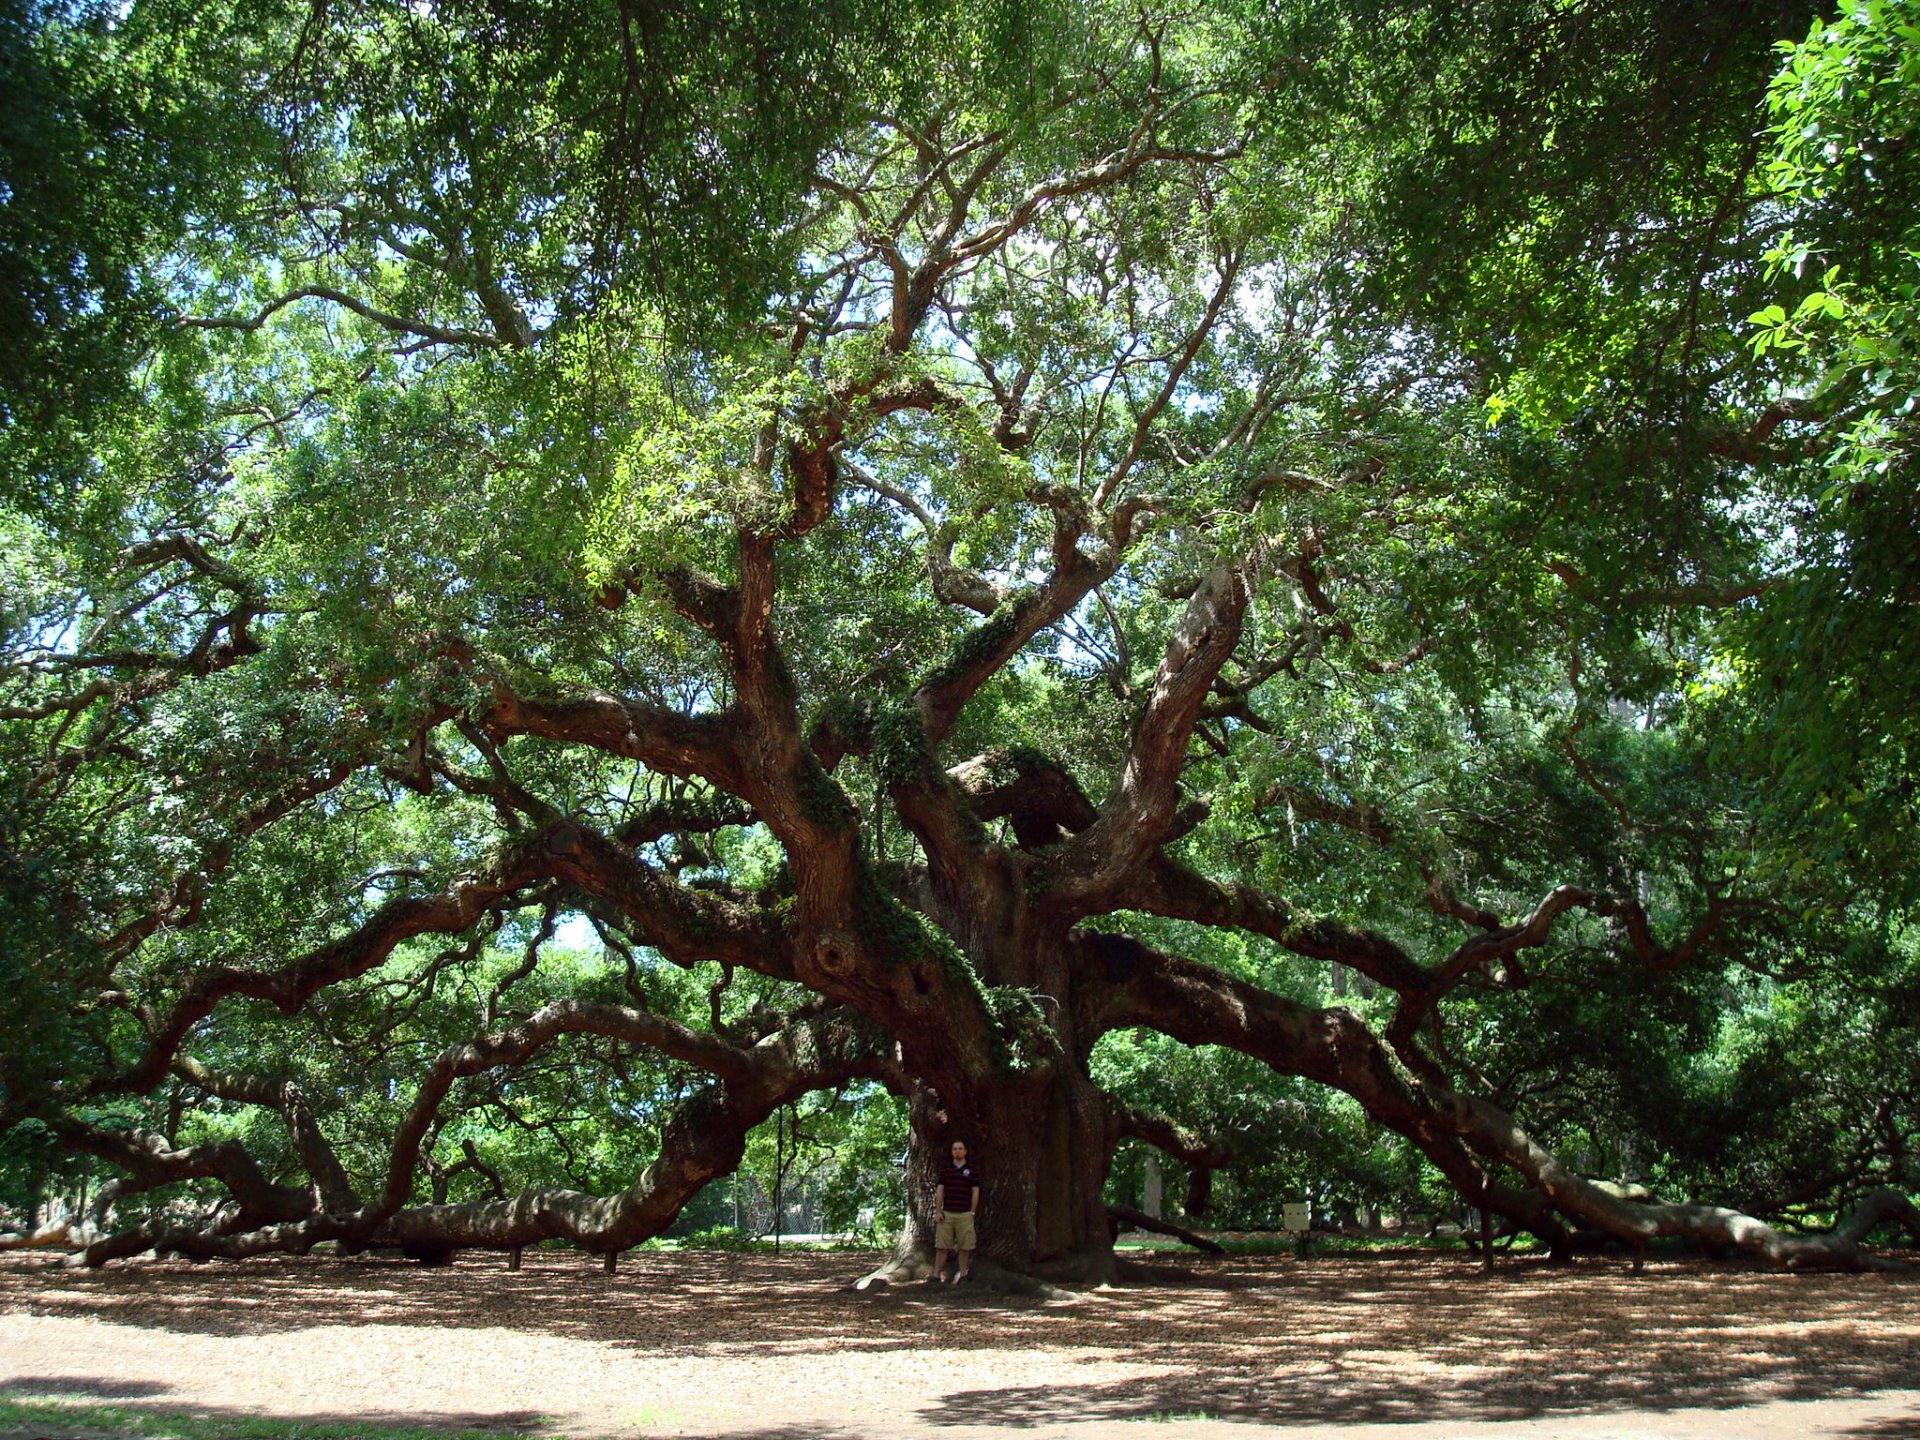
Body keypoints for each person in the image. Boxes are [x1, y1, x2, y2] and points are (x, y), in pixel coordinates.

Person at [931, 1138, 981, 1283]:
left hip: (965, 1213)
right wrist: (938, 1211)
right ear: (952, 1152)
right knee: (942, 1246)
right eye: (954, 1149)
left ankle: (963, 1275)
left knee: (964, 1246)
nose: (957, 1151)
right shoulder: (946, 1170)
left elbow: (975, 1192)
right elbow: (940, 1190)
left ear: (965, 1152)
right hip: (947, 1213)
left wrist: (972, 1212)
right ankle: (936, 1275)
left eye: (960, 1149)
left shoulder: (972, 1171)